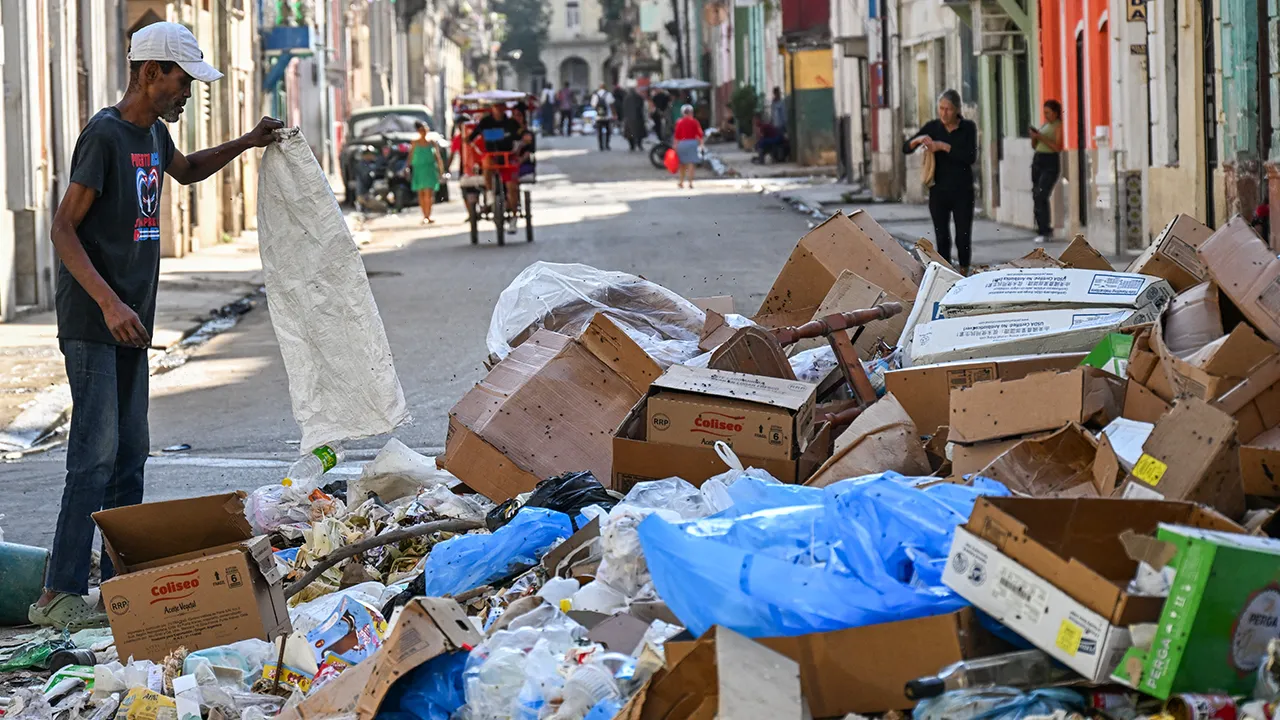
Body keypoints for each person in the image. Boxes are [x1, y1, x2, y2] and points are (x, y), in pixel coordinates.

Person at [32, 22, 282, 630]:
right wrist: (111, 305)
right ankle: (58, 595)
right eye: (181, 80)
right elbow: (63, 228)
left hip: (131, 324)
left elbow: (190, 169)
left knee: (131, 455)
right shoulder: (106, 135)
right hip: (97, 322)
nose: (188, 94)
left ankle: (120, 586)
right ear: (149, 73)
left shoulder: (153, 134)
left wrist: (248, 141)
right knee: (93, 457)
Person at [903, 89, 978, 274]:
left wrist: (943, 146)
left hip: (962, 190)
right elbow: (906, 148)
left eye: (948, 109)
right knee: (942, 235)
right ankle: (946, 272)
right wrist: (917, 140)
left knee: (963, 234)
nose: (944, 113)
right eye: (941, 109)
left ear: (957, 110)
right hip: (939, 191)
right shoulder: (933, 127)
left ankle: (963, 270)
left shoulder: (968, 127)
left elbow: (969, 156)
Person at [468, 102, 522, 233]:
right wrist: (469, 141)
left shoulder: (511, 123)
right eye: (496, 106)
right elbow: (472, 137)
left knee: (512, 188)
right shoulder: (485, 122)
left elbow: (520, 137)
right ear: (492, 108)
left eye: (500, 106)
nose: (498, 109)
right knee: (487, 164)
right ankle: (489, 192)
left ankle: (514, 217)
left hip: (507, 157)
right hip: (491, 156)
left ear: (504, 108)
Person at [1029, 99, 1064, 244]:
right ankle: (1041, 228)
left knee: (1042, 194)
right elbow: (1035, 145)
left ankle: (1045, 230)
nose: (1046, 115)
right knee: (1036, 194)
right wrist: (1034, 138)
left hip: (1050, 161)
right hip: (1038, 160)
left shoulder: (1058, 126)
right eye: (1044, 113)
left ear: (1055, 113)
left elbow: (1057, 147)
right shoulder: (1045, 125)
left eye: (1048, 113)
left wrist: (1041, 137)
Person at [410, 122, 443, 224]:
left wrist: (441, 170)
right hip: (419, 170)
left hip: (430, 169)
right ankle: (424, 215)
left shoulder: (432, 143)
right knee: (421, 193)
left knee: (429, 193)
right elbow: (410, 156)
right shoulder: (414, 143)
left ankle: (428, 215)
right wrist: (407, 168)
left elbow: (438, 157)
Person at [673, 104, 704, 189]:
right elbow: (700, 134)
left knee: (682, 165)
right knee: (691, 164)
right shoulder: (695, 122)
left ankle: (681, 182)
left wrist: (675, 147)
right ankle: (690, 183)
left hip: (682, 144)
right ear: (691, 112)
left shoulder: (679, 122)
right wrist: (701, 144)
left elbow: (676, 136)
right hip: (692, 143)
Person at [623, 86, 646, 151]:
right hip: (638, 118)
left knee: (630, 134)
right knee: (639, 133)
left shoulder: (626, 98)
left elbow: (624, 108)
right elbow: (641, 107)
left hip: (629, 118)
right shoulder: (639, 97)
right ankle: (639, 145)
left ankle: (632, 146)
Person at [591, 83, 614, 150]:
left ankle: (600, 145)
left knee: (599, 131)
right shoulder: (608, 94)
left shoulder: (595, 95)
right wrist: (614, 114)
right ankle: (607, 145)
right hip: (607, 116)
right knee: (608, 131)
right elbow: (612, 104)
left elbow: (593, 105)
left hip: (598, 117)